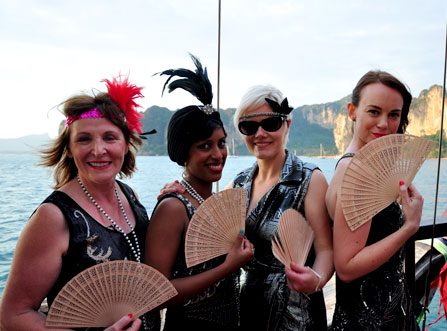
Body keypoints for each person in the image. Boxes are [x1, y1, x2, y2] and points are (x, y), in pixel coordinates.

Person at [0, 76, 159, 330]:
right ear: (69, 149)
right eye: (84, 139)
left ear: (126, 145)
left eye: (110, 137)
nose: (98, 150)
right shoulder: (54, 217)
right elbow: (13, 315)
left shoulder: (130, 196)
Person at [145, 55, 254, 331]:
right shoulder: (174, 207)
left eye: (221, 143)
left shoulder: (213, 201)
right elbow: (155, 293)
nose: (218, 154)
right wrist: (227, 267)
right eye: (205, 146)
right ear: (185, 152)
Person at [325, 70, 424, 330]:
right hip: (372, 321)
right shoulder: (358, 171)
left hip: (379, 313)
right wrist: (409, 227)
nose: (384, 123)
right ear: (352, 111)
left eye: (394, 115)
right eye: (374, 111)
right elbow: (346, 266)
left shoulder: (349, 163)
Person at [230, 85, 333, 331]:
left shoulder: (309, 179)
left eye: (271, 124)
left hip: (296, 312)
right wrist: (182, 189)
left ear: (287, 124)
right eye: (249, 126)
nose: (260, 133)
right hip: (249, 307)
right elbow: (210, 225)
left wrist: (316, 280)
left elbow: (326, 249)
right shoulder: (238, 183)